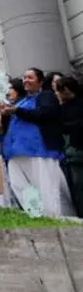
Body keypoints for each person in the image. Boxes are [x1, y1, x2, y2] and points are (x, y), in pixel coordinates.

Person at [0, 67, 74, 217]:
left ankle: (53, 217)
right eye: (24, 77)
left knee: (45, 186)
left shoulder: (46, 96)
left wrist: (16, 111)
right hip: (16, 150)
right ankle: (35, 214)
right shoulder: (22, 101)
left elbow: (44, 114)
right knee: (18, 184)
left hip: (39, 149)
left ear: (40, 82)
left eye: (30, 77)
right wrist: (5, 113)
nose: (26, 80)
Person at [55, 76, 83, 217]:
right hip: (71, 151)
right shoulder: (63, 107)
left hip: (76, 149)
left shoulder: (71, 107)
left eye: (61, 90)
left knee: (78, 186)